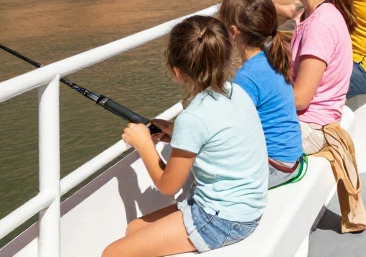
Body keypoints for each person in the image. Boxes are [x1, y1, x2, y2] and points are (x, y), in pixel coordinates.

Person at [103, 16, 266, 257]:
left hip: (223, 220)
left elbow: (168, 185)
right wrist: (176, 133)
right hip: (246, 209)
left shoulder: (193, 118)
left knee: (112, 253)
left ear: (177, 72)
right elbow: (217, 137)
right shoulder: (237, 92)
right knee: (134, 229)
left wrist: (144, 144)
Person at [217, 0, 305, 188]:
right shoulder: (271, 57)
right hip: (290, 159)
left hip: (275, 166)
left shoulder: (246, 77)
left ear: (233, 32)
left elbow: (231, 132)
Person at [280, 0, 354, 153]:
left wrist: (261, 93)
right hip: (314, 120)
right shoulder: (318, 12)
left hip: (312, 128)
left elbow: (301, 98)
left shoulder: (319, 25)